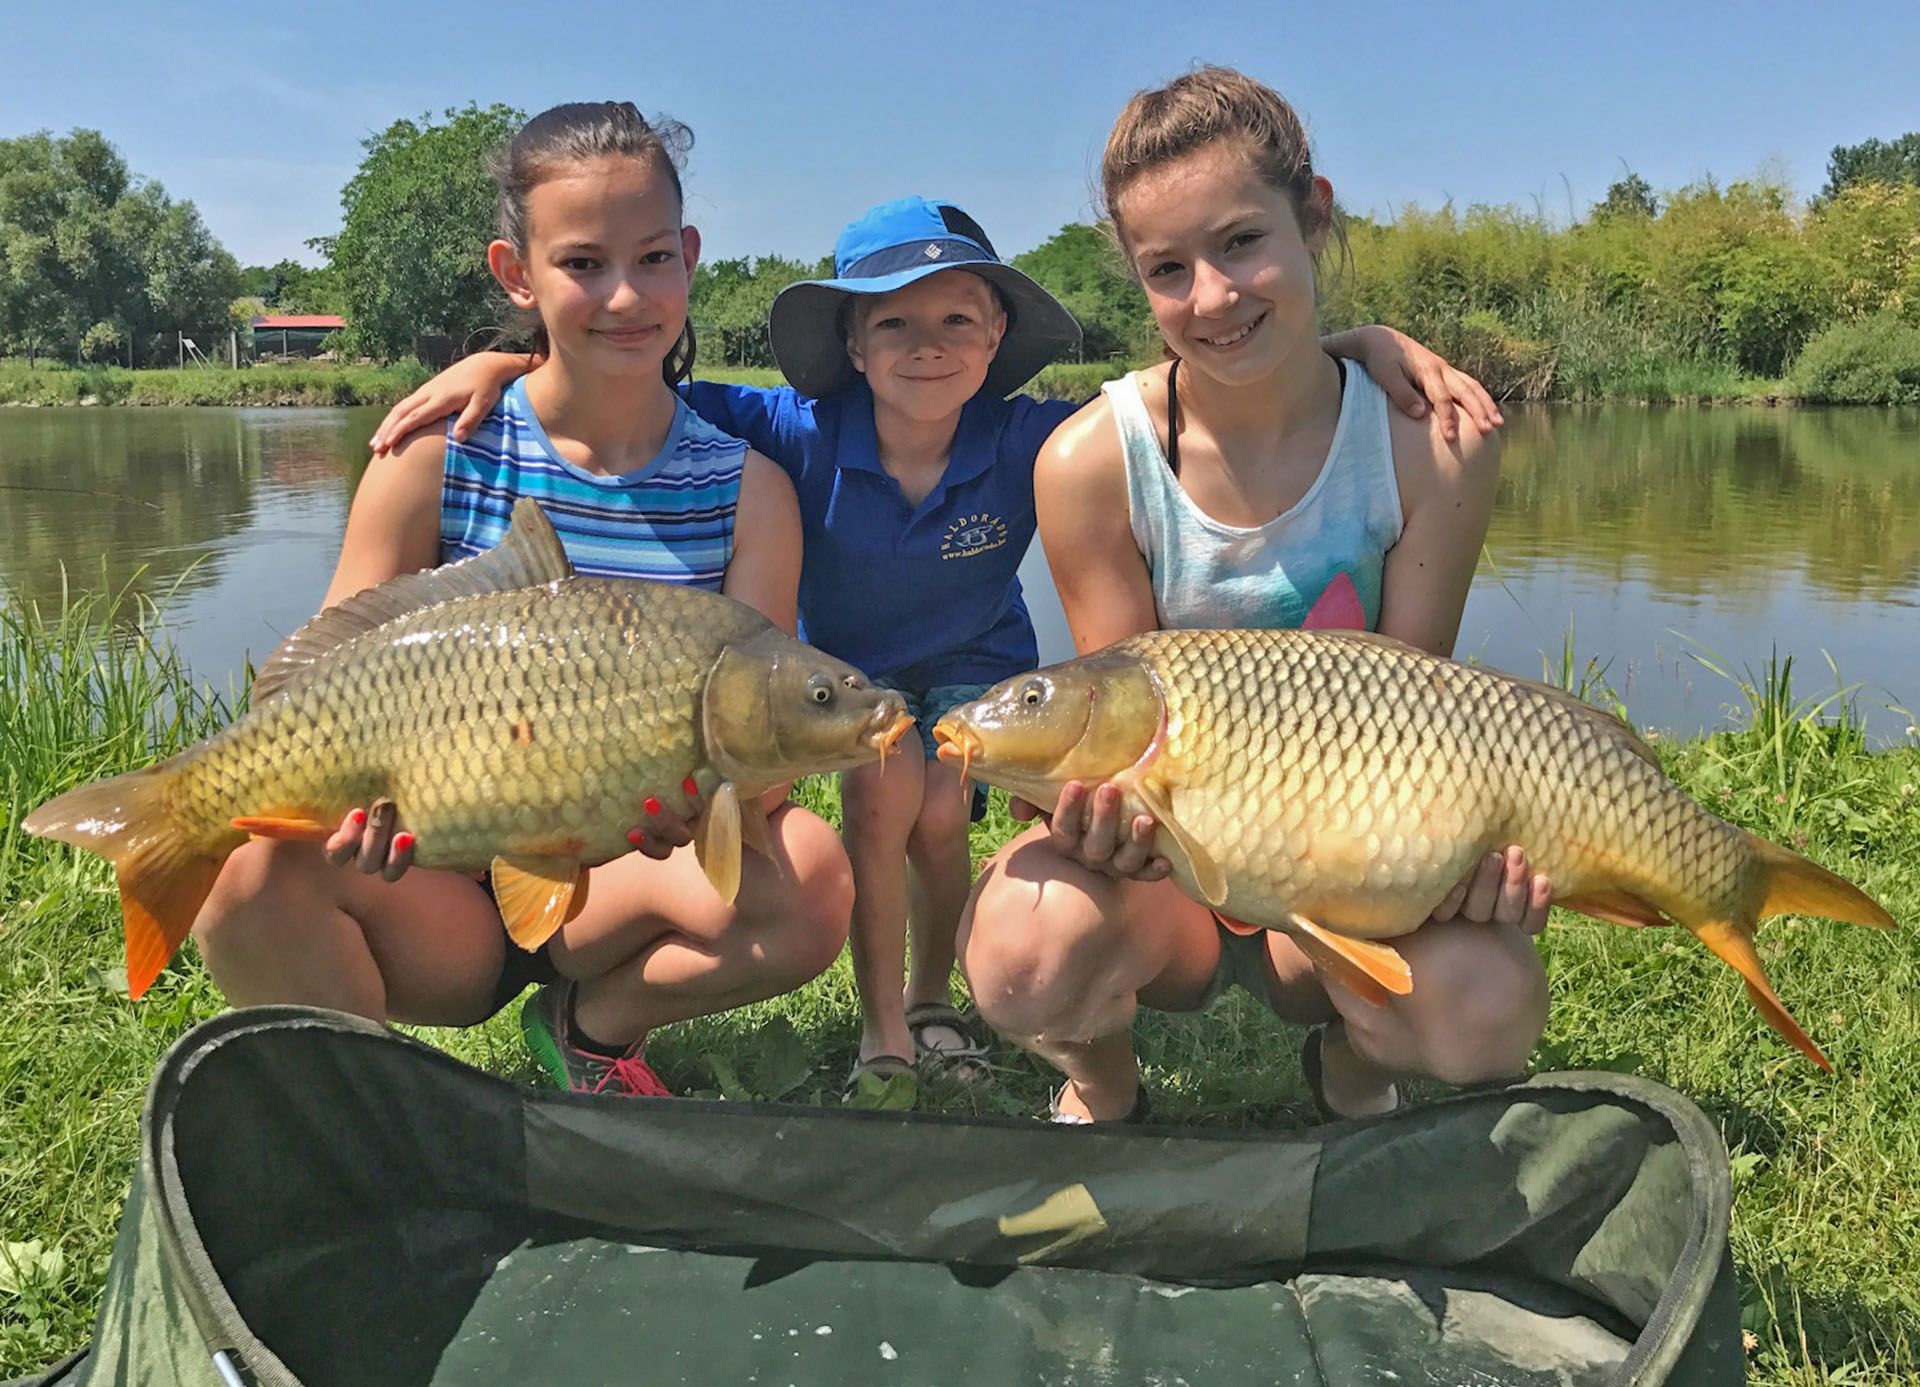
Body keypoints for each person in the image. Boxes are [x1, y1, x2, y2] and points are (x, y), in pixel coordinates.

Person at [373, 197, 1500, 1107]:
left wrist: (1360, 341)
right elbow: (624, 376)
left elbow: (1197, 377)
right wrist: (504, 364)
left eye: (959, 321)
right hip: (843, 683)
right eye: (894, 325)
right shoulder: (786, 428)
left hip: (978, 670)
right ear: (852, 345)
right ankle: (887, 1029)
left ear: (998, 337)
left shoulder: (1027, 437)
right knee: (883, 785)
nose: (927, 347)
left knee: (942, 793)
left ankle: (934, 994)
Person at [191, 101, 854, 1099]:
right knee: (249, 881)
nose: (624, 295)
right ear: (518, 274)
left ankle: (591, 1027)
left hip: (625, 882)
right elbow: (307, 686)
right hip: (439, 891)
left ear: (689, 256)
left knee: (810, 873)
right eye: (583, 264)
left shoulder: (748, 487)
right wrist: (338, 808)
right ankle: (368, 1119)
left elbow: (763, 743)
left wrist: (712, 796)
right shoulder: (433, 456)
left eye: (653, 259)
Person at [955, 66, 1553, 1125]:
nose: (1215, 297)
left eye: (1242, 242)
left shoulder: (1434, 446)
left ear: (1313, 216)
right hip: (1171, 888)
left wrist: (1460, 862)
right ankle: (1102, 1084)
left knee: (1484, 1009)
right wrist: (1097, 822)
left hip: (1348, 874)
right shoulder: (1090, 462)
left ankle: (1352, 1072)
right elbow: (1117, 715)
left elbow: (1417, 712)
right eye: (1168, 268)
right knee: (1019, 950)